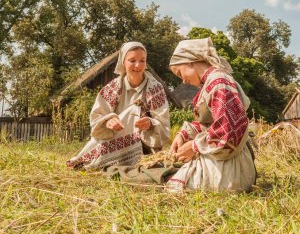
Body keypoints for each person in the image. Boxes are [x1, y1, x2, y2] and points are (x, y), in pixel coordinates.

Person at [167, 37, 256, 192]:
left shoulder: (219, 81)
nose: (183, 81)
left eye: (180, 73)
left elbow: (229, 131)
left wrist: (194, 146)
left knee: (175, 184)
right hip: (222, 158)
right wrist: (183, 134)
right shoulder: (211, 83)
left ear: (190, 61)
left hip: (231, 168)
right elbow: (208, 123)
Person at [67, 42, 170, 170]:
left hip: (144, 147)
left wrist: (150, 124)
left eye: (142, 61)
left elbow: (163, 123)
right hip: (113, 139)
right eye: (132, 60)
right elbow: (96, 118)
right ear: (123, 62)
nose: (138, 65)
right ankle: (83, 163)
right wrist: (108, 121)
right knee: (92, 154)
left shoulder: (155, 88)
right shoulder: (112, 88)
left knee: (134, 111)